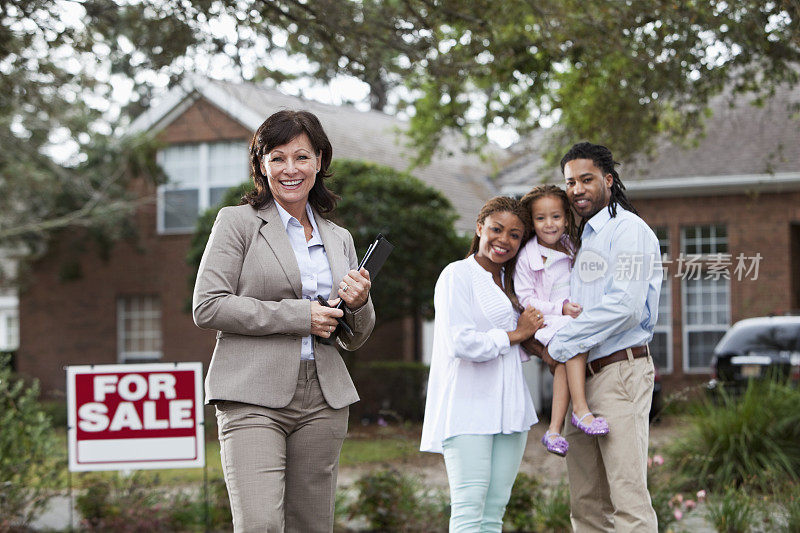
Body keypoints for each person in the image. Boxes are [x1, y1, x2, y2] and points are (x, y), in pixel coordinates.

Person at [193, 110, 375, 532]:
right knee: (260, 524)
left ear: (319, 161)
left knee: (312, 525)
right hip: (251, 394)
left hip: (324, 398)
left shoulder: (339, 237)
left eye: (301, 157)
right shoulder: (236, 223)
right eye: (277, 157)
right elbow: (208, 305)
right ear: (260, 164)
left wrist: (360, 303)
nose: (290, 169)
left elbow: (355, 336)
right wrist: (300, 316)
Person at [527, 142, 662, 532]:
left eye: (586, 179)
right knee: (585, 503)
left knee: (627, 499)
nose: (577, 190)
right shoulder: (581, 238)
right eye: (570, 182)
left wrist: (563, 342)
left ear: (608, 179)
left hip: (620, 373)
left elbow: (627, 305)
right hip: (580, 380)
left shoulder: (628, 230)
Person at [420, 196, 543, 533]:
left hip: (511, 410)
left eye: (515, 235)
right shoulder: (457, 275)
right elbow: (461, 342)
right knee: (468, 512)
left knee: (493, 514)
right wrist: (517, 334)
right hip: (468, 408)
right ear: (480, 227)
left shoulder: (515, 283)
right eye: (497, 229)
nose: (504, 240)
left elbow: (523, 342)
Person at [513, 184, 608, 459]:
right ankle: (580, 409)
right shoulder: (527, 258)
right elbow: (526, 300)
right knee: (573, 342)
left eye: (555, 217)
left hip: (570, 319)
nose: (549, 224)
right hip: (549, 321)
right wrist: (561, 308)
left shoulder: (570, 247)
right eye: (540, 218)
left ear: (566, 218)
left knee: (564, 369)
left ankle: (554, 430)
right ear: (532, 222)